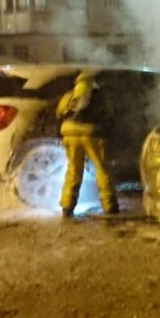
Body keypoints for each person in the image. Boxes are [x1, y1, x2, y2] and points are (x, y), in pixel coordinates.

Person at [56, 70, 118, 218]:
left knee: (73, 170)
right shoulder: (99, 95)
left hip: (69, 133)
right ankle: (109, 206)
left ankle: (67, 206)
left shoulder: (70, 95)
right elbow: (109, 114)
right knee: (102, 169)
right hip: (91, 134)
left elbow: (59, 112)